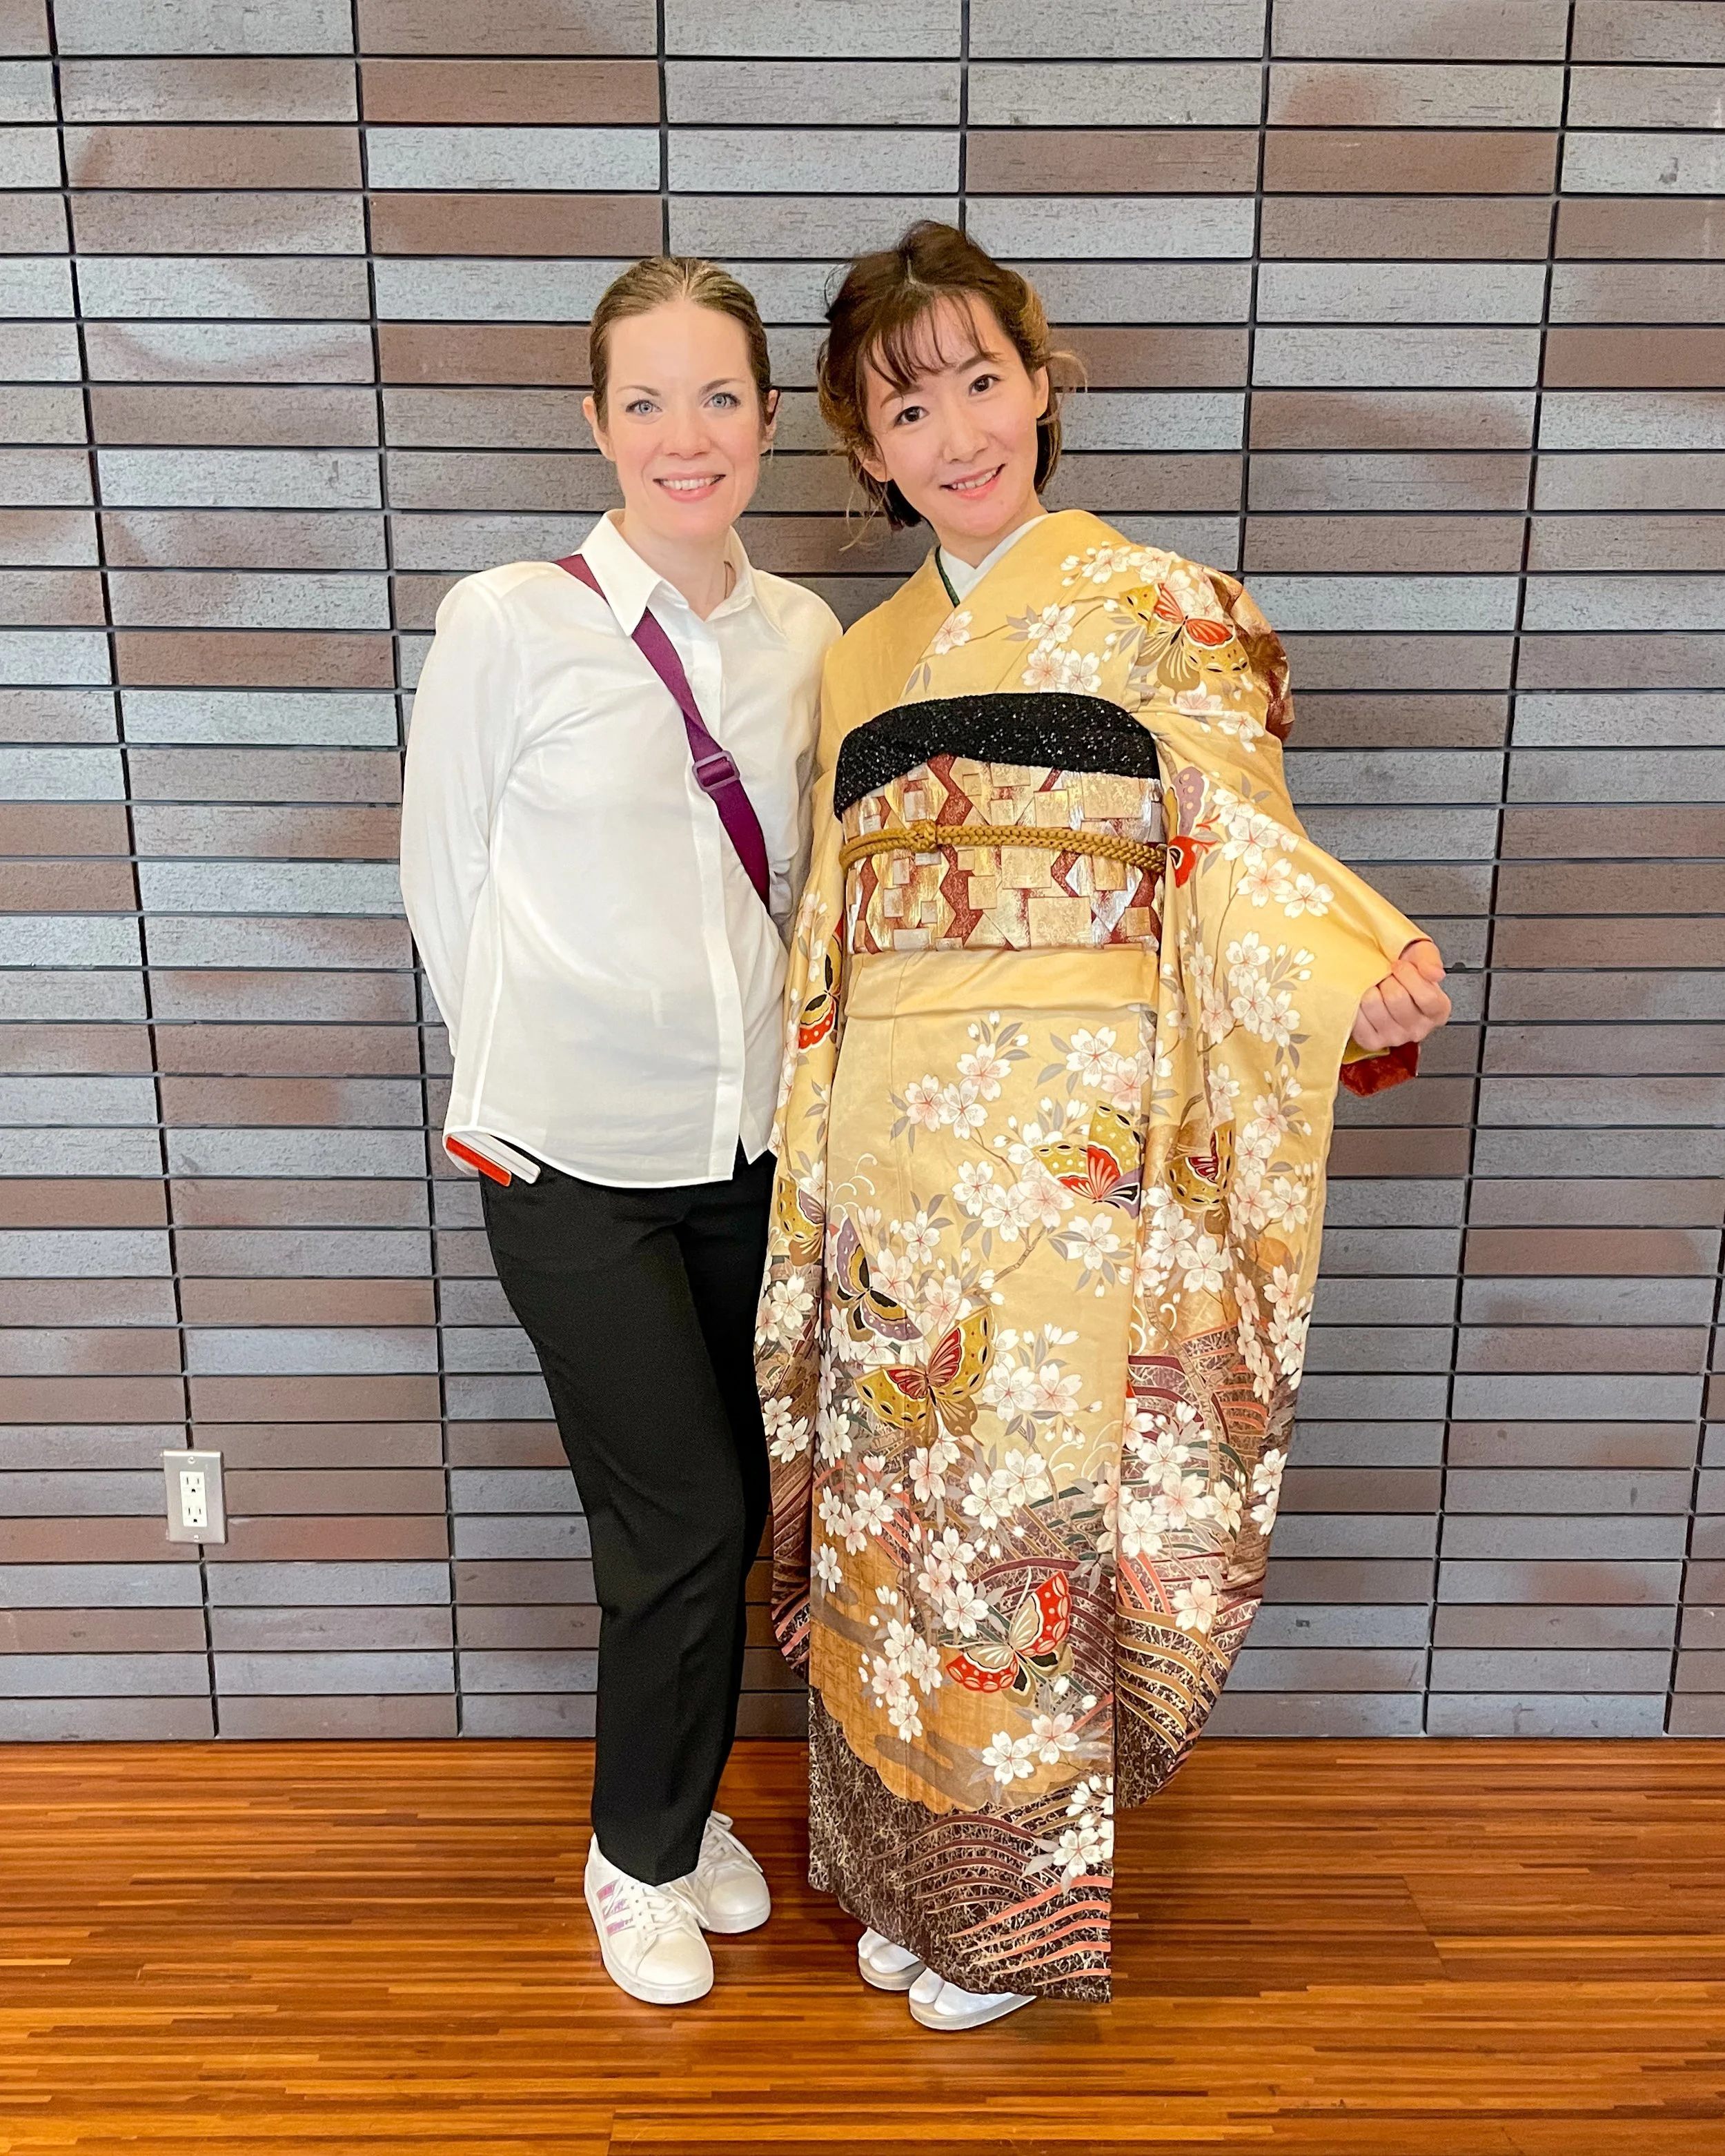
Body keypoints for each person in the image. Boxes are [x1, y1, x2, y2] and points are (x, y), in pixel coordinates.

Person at [754, 221, 1450, 2030]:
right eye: (909, 403)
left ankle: (1003, 1920)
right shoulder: (859, 657)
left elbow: (1234, 838)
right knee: (893, 1526)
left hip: (1069, 1154)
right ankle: (903, 1884)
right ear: (866, 442)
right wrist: (818, 1146)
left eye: (983, 379)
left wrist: (1343, 962)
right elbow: (827, 923)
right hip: (896, 1149)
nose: (957, 428)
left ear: (1041, 387)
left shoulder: (1160, 603)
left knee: (1015, 1527)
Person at [401, 257, 839, 2008]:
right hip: (567, 1163)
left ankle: (679, 1805)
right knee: (678, 1521)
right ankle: (635, 1855)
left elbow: (798, 892)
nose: (685, 435)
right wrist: (492, 1095)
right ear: (595, 424)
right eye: (644, 400)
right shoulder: (509, 617)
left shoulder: (804, 636)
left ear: (763, 420)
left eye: (719, 397)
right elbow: (442, 884)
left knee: (727, 1517)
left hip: (746, 1155)